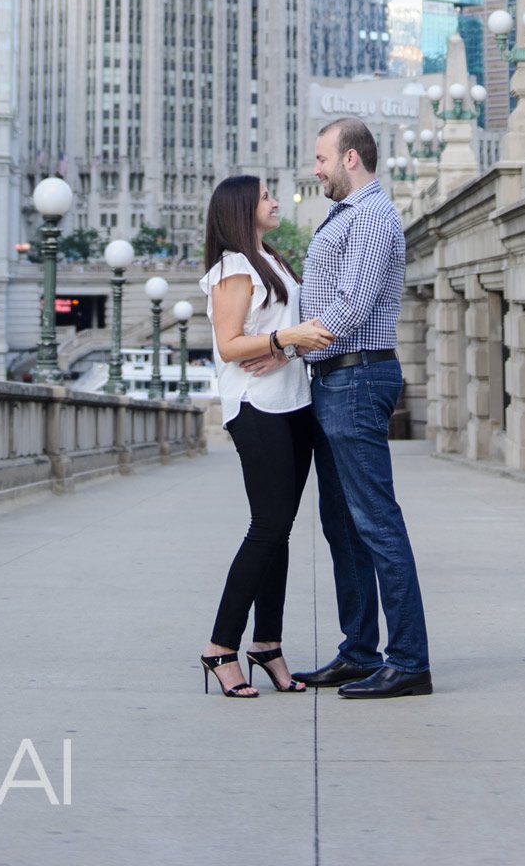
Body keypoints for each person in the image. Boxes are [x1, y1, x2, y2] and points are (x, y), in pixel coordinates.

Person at [293, 119, 433, 698]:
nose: (316, 168)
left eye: (322, 158)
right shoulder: (347, 215)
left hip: (356, 377)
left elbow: (353, 304)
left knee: (376, 522)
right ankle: (358, 652)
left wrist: (290, 341)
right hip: (333, 381)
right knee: (342, 526)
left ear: (351, 158)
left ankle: (408, 661)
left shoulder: (374, 217)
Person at [198, 174, 332, 698]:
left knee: (281, 530)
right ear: (241, 209)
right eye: (266, 198)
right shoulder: (233, 267)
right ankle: (220, 648)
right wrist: (287, 336)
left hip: (293, 401)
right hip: (256, 408)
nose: (276, 203)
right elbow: (229, 345)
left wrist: (284, 348)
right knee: (267, 526)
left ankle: (267, 644)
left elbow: (278, 335)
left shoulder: (269, 258)